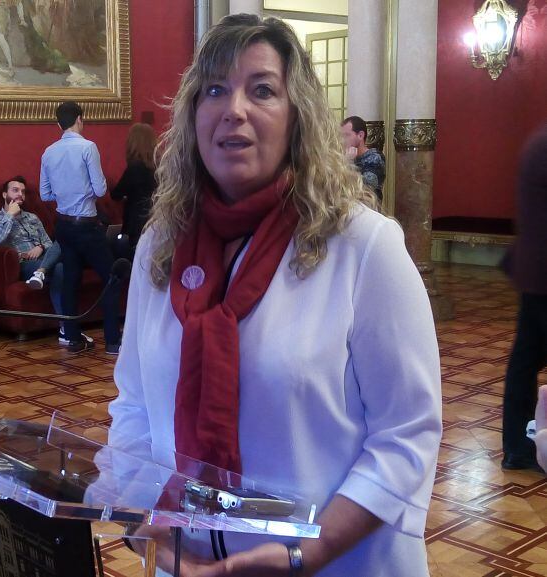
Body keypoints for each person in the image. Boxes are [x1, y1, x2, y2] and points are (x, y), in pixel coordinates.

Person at [108, 14, 441, 577]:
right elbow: (135, 407)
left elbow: (406, 436)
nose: (233, 107)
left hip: (336, 563)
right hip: (186, 563)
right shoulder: (159, 249)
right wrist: (144, 520)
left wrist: (302, 555)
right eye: (214, 89)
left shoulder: (363, 247)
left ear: (298, 118)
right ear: (193, 117)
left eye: (261, 89)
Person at [40, 101, 121, 355]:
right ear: (79, 119)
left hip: (63, 225)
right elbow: (100, 190)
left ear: (58, 124)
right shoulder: (88, 147)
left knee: (70, 280)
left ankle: (73, 338)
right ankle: (112, 341)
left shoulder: (48, 152)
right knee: (111, 278)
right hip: (87, 225)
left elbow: (45, 194)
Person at [0, 176, 91, 346]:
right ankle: (66, 328)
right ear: (4, 194)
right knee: (59, 269)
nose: (20, 194)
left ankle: (41, 273)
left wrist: (40, 247)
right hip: (24, 264)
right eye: (15, 190)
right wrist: (10, 216)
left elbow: (50, 244)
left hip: (44, 258)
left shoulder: (32, 218)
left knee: (63, 239)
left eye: (23, 191)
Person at [501, 124, 547, 471]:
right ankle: (522, 445)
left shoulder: (537, 142)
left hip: (535, 273)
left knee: (524, 363)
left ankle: (519, 446)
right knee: (524, 365)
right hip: (542, 274)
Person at [111, 122, 157, 258]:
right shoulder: (159, 166)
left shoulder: (135, 167)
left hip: (136, 224)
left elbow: (116, 194)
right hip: (156, 220)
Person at [340, 115, 385, 203]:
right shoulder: (345, 156)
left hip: (368, 210)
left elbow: (366, 187)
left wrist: (348, 163)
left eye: (346, 135)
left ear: (360, 135)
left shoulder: (375, 157)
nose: (343, 140)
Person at [0, 0, 27, 77]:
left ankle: (10, 66)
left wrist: (22, 18)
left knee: (0, 38)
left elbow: (19, 3)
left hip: (2, 12)